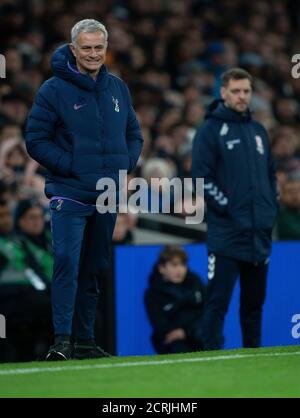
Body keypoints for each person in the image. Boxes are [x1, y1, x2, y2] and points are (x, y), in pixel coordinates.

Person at [25, 19, 143, 360]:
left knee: (95, 267)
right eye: (86, 48)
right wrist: (73, 166)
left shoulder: (118, 88)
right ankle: (62, 340)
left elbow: (134, 134)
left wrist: (125, 164)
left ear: (106, 49)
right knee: (66, 261)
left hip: (107, 195)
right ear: (74, 50)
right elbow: (35, 140)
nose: (93, 54)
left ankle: (86, 341)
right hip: (69, 192)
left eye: (99, 48)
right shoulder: (52, 89)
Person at [192, 68, 278, 350]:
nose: (242, 97)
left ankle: (253, 358)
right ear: (223, 92)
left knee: (254, 306)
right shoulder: (210, 130)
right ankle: (211, 360)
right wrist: (229, 208)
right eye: (237, 91)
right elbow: (201, 178)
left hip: (259, 234)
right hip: (227, 234)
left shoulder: (258, 131)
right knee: (217, 303)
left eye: (247, 91)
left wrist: (268, 210)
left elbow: (270, 175)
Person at [144, 245, 206, 354]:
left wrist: (185, 332)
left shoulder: (195, 281)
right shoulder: (152, 294)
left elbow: (209, 312)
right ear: (161, 268)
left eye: (183, 265)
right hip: (173, 344)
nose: (180, 270)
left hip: (199, 336)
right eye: (174, 265)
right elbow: (160, 327)